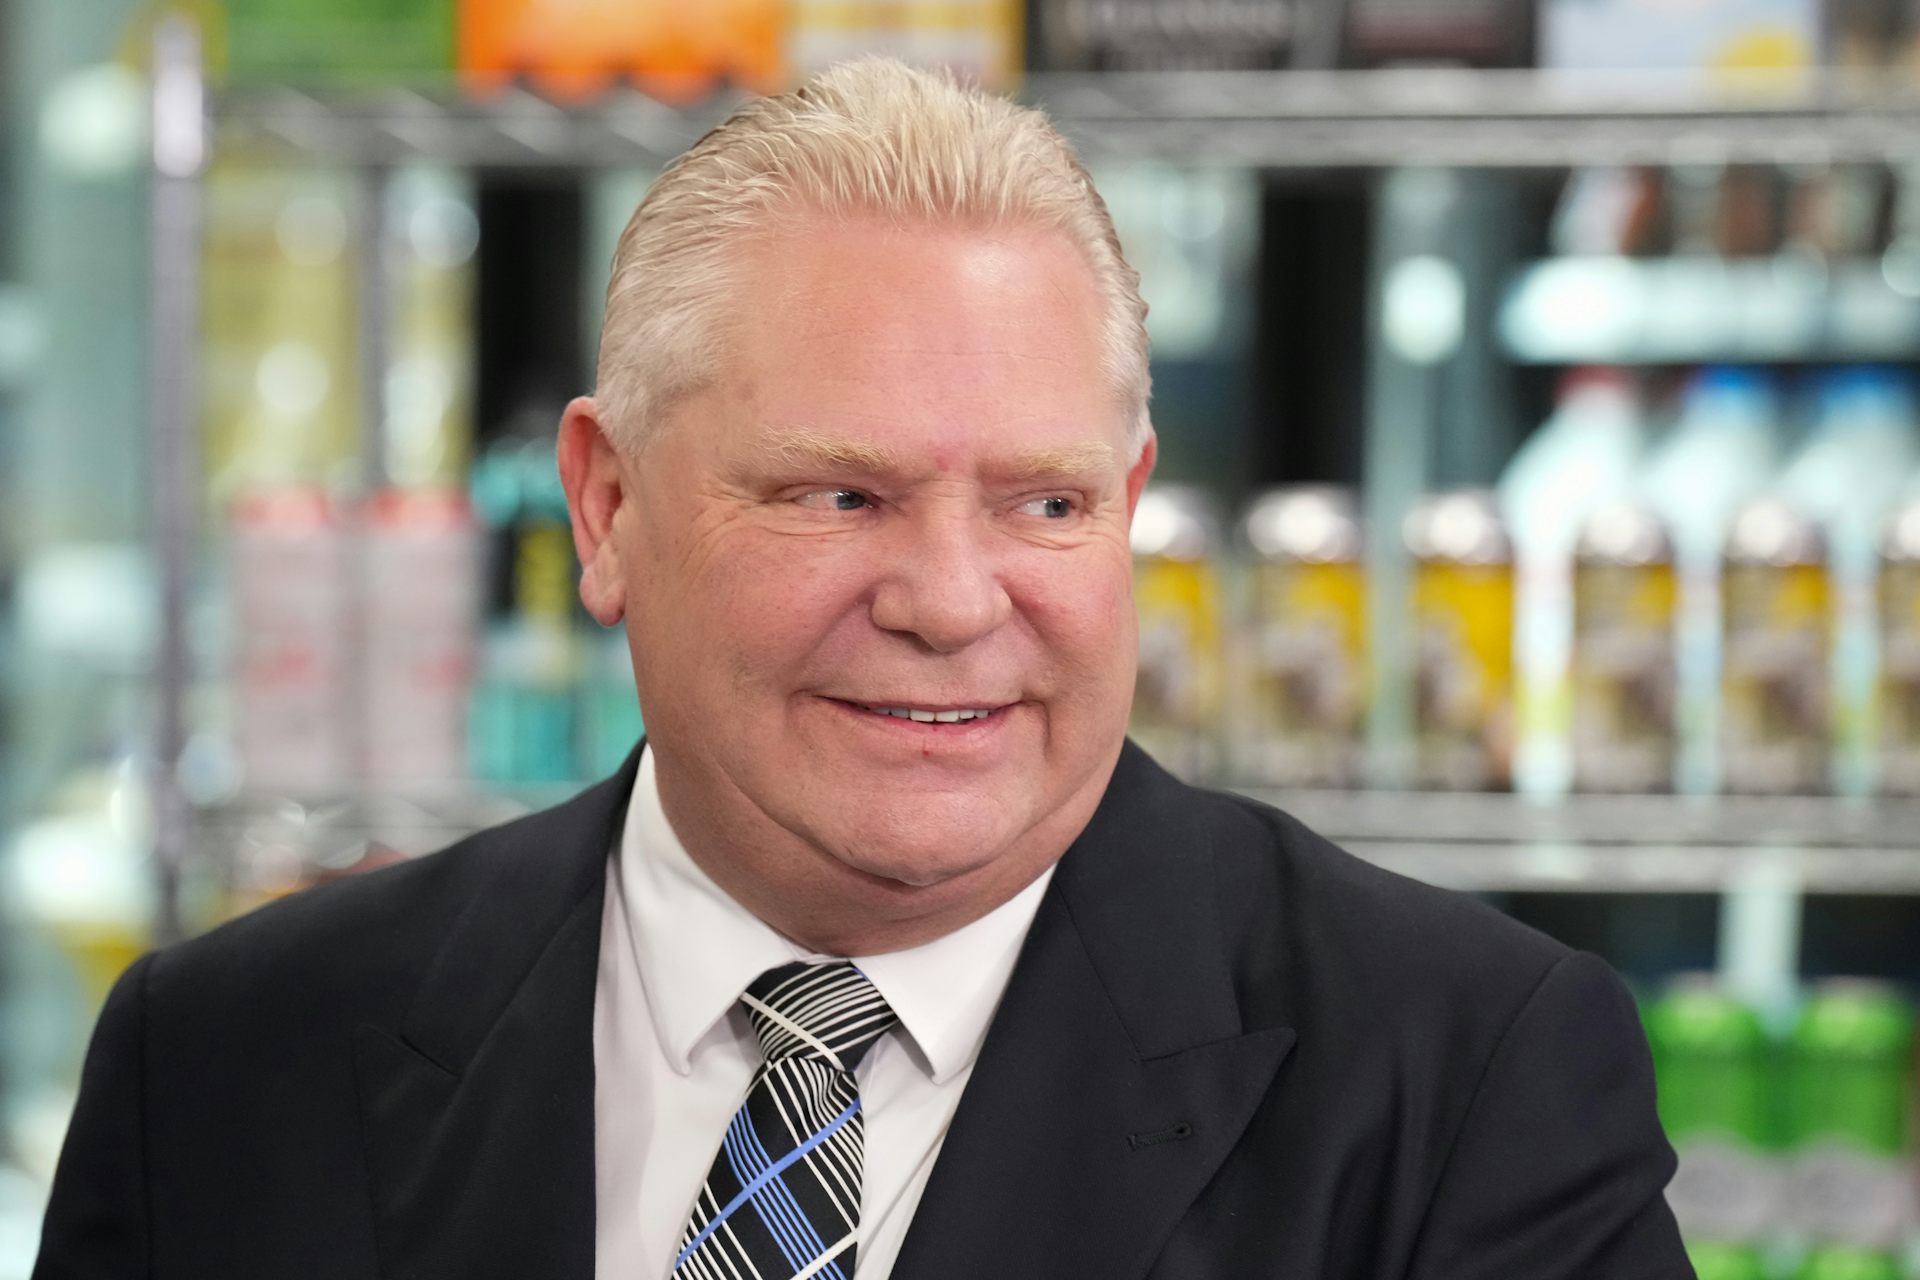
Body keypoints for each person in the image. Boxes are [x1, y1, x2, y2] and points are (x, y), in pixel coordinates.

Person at [34, 60, 1692, 1280]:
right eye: (841, 496)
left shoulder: (1463, 1076)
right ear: (605, 508)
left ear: (1126, 512)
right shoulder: (231, 1063)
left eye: (1042, 504)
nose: (953, 604)